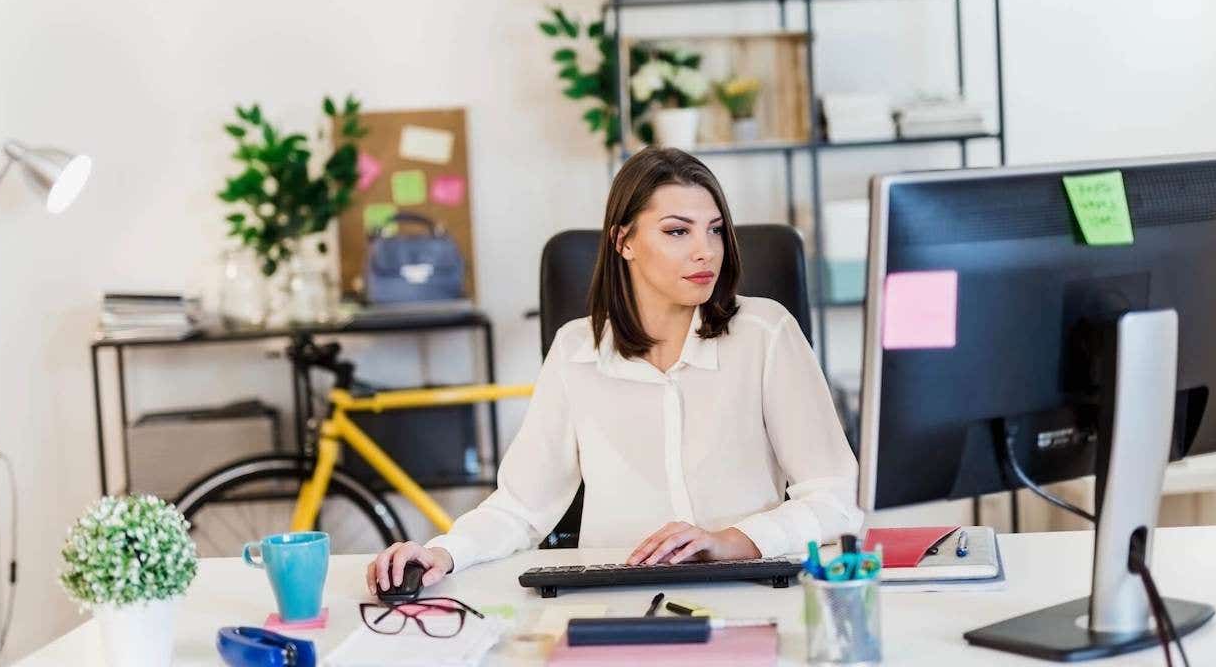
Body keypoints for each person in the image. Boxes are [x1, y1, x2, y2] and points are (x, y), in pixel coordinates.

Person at [366, 146, 861, 595]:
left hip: (748, 590)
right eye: (676, 231)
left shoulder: (766, 333)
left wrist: (732, 541)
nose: (705, 250)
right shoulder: (576, 350)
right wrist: (442, 553)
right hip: (615, 597)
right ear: (623, 241)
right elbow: (520, 506)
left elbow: (836, 499)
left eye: (714, 229)